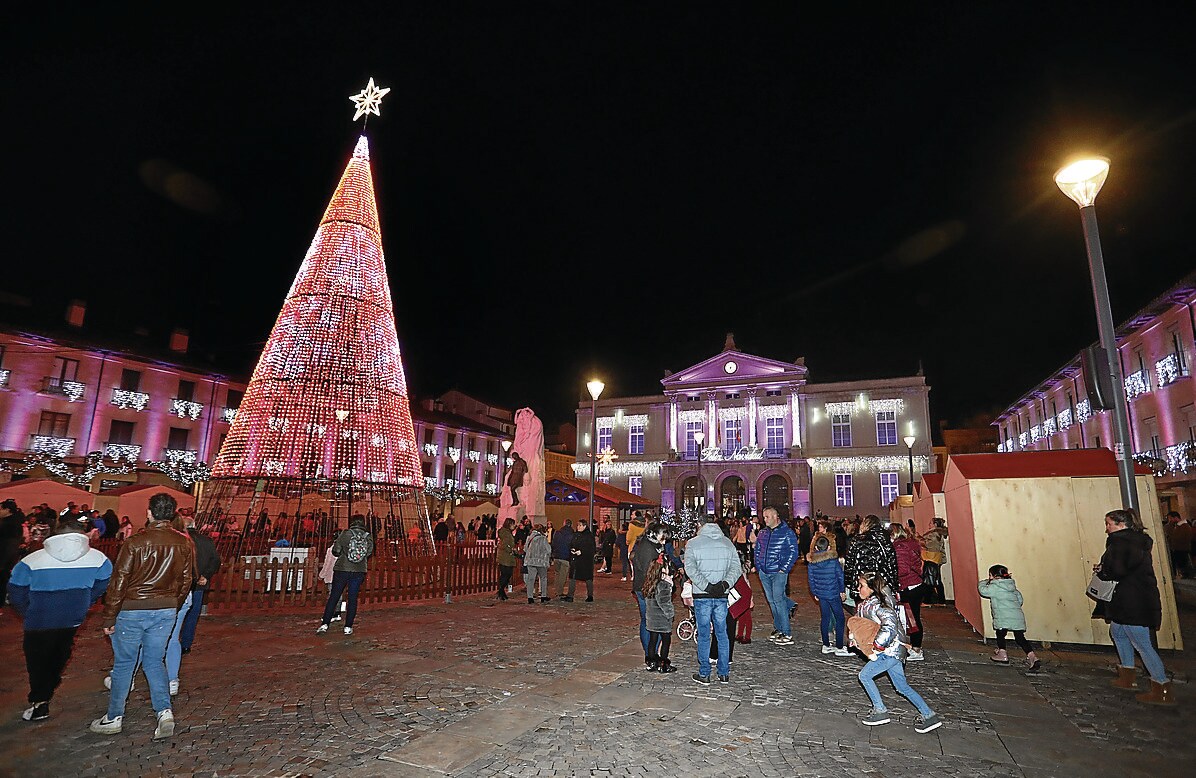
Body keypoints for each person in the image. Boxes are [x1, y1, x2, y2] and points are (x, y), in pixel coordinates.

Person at [92, 493, 194, 740]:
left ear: (149, 513)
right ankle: (164, 712)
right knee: (154, 661)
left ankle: (114, 716)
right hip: (165, 609)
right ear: (171, 514)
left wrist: (109, 616)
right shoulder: (183, 542)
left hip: (132, 609)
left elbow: (119, 580)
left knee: (125, 663)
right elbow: (186, 580)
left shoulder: (136, 542)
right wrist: (173, 604)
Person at [9, 519, 112, 722]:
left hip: (39, 618)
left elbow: (16, 589)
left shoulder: (32, 560)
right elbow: (104, 581)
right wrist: (86, 599)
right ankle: (46, 691)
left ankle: (40, 700)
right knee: (60, 654)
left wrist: (26, 610)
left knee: (37, 660)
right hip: (72, 616)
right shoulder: (98, 558)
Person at [1092, 508, 1173, 705]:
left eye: (1109, 524)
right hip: (1132, 598)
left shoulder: (1121, 542)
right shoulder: (1135, 541)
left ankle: (1161, 686)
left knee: (1142, 643)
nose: (1107, 528)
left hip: (1133, 601)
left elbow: (1117, 570)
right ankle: (1127, 675)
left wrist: (1103, 571)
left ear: (1121, 525)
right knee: (1118, 632)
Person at [854, 573, 943, 733]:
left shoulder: (881, 606)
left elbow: (889, 627)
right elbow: (862, 625)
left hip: (889, 650)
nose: (858, 588)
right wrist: (856, 639)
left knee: (865, 676)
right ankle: (929, 715)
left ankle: (880, 710)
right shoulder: (867, 604)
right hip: (892, 651)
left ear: (872, 589)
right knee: (902, 686)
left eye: (862, 585)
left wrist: (877, 646)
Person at [685, 513, 742, 684]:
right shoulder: (727, 543)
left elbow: (690, 568)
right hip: (721, 595)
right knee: (721, 633)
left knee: (703, 634)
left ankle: (704, 673)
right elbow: (736, 568)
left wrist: (706, 586)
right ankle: (724, 672)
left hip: (702, 595)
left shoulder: (693, 543)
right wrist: (724, 584)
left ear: (700, 525)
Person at [316, 515, 374, 635]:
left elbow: (335, 551)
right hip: (359, 570)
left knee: (334, 596)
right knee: (352, 598)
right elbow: (368, 553)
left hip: (342, 569)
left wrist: (344, 552)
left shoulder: (345, 533)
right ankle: (348, 626)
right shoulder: (368, 536)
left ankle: (325, 623)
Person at [978, 564, 1039, 673]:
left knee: (1000, 634)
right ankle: (1032, 656)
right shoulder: (1012, 587)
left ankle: (1003, 654)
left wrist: (983, 582)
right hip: (1017, 617)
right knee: (1020, 638)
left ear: (993, 576)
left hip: (1003, 618)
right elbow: (1020, 600)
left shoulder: (994, 587)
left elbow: (983, 590)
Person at [178, 512, 221, 657]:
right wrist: (205, 575)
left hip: (180, 585)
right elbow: (215, 560)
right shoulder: (206, 541)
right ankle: (186, 644)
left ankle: (172, 642)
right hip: (199, 584)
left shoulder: (179, 540)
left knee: (176, 614)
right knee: (192, 615)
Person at [754, 506, 798, 646]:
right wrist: (759, 565)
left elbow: (793, 552)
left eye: (767, 517)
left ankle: (786, 632)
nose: (764, 519)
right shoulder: (762, 533)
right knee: (772, 601)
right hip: (764, 572)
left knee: (778, 600)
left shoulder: (787, 533)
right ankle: (778, 628)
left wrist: (783, 568)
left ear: (775, 517)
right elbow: (757, 550)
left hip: (778, 572)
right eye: (764, 517)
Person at [808, 534, 851, 656]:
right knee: (840, 618)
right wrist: (842, 591)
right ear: (828, 548)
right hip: (833, 593)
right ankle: (839, 646)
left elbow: (811, 579)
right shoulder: (833, 562)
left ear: (816, 547)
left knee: (825, 618)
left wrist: (814, 592)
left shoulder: (812, 563)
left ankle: (826, 645)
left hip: (821, 594)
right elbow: (840, 577)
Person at [631, 523, 666, 665]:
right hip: (646, 589)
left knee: (651, 621)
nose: (664, 542)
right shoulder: (647, 548)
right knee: (650, 621)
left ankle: (652, 653)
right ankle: (650, 654)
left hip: (648, 588)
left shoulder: (651, 545)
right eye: (662, 538)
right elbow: (648, 571)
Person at [890, 524, 926, 661]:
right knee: (913, 617)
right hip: (916, 583)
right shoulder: (911, 543)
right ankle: (915, 646)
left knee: (912, 619)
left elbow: (902, 570)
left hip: (909, 586)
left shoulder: (900, 548)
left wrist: (891, 575)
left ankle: (916, 649)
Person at [845, 514, 898, 601]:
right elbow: (892, 564)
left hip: (862, 583)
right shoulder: (886, 540)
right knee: (881, 608)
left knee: (863, 610)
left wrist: (850, 584)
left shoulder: (857, 540)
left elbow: (850, 563)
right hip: (882, 583)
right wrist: (894, 585)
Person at [643, 555, 677, 673]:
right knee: (666, 640)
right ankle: (663, 664)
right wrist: (670, 614)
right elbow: (664, 602)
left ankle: (651, 662)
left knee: (653, 640)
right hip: (662, 618)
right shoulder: (663, 585)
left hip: (652, 617)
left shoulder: (649, 582)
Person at [1, 498, 26, 609]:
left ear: (7, 510)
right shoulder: (14, 522)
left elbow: (10, 543)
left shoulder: (9, 524)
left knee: (1, 581)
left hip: (4, 557)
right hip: (7, 557)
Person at [920, 518, 948, 604]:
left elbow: (930, 545)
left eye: (930, 523)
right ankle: (941, 600)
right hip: (936, 559)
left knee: (929, 580)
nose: (929, 525)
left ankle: (928, 600)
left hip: (931, 559)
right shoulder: (938, 533)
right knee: (936, 580)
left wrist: (919, 540)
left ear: (935, 524)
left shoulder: (934, 534)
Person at [567, 520, 596, 602]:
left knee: (588, 578)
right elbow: (572, 543)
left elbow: (591, 548)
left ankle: (590, 595)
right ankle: (570, 595)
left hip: (585, 561)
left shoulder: (589, 536)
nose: (578, 527)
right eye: (577, 525)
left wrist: (582, 551)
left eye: (580, 525)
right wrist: (572, 549)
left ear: (584, 526)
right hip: (575, 560)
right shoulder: (576, 535)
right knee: (572, 577)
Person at [523, 524, 551, 603]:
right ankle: (543, 596)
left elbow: (525, 549)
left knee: (531, 579)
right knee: (543, 578)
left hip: (531, 561)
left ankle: (530, 597)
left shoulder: (529, 538)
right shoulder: (543, 538)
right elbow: (548, 550)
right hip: (541, 561)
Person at [1164, 511, 1192, 579]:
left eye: (1170, 518)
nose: (1170, 520)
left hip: (1182, 549)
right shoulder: (1177, 526)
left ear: (1175, 517)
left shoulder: (1184, 526)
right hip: (1178, 549)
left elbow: (1176, 537)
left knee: (1184, 564)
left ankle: (1186, 575)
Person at [495, 518, 518, 600]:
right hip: (506, 557)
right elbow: (505, 545)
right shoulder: (506, 534)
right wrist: (511, 550)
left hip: (505, 557)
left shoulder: (507, 533)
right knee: (506, 574)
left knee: (506, 575)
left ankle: (501, 592)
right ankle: (501, 591)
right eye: (513, 524)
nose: (514, 526)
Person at [551, 519, 574, 599]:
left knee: (557, 574)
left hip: (557, 556)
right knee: (563, 575)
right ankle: (559, 592)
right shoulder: (572, 534)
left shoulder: (557, 533)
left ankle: (556, 590)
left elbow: (553, 543)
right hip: (566, 557)